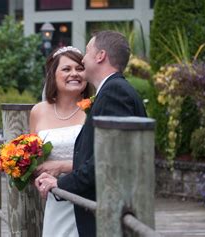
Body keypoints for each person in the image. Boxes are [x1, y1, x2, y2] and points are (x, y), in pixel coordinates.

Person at [36, 31, 147, 237]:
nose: (83, 59)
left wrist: (60, 182)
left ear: (100, 56)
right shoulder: (112, 91)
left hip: (110, 211)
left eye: (87, 52)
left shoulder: (115, 93)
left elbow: (107, 161)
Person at [30, 46, 91, 237]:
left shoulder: (94, 110)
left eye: (80, 68)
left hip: (86, 198)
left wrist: (62, 166)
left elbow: (100, 161)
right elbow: (33, 157)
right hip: (54, 200)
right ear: (53, 75)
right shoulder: (38, 111)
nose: (74, 73)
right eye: (66, 69)